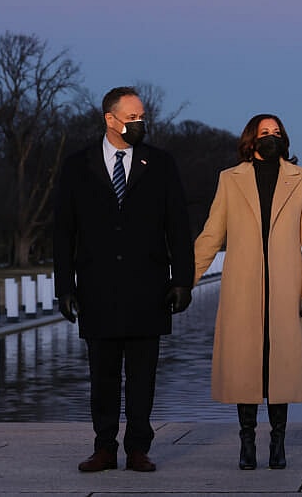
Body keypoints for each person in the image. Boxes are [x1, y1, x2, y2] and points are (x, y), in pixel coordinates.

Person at [53, 86, 194, 473]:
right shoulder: (78, 165)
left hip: (147, 287)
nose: (139, 123)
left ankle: (137, 449)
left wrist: (182, 280)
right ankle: (104, 448)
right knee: (102, 375)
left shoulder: (160, 163)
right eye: (131, 117)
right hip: (97, 288)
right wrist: (64, 287)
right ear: (110, 119)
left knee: (142, 376)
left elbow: (178, 226)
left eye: (141, 116)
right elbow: (63, 231)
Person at [193, 113, 302, 471]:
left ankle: (278, 443)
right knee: (247, 369)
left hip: (286, 286)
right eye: (265, 132)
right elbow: (212, 234)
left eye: (276, 132)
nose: (271, 137)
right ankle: (246, 442)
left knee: (280, 369)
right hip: (243, 287)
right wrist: (185, 280)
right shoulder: (230, 179)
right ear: (251, 139)